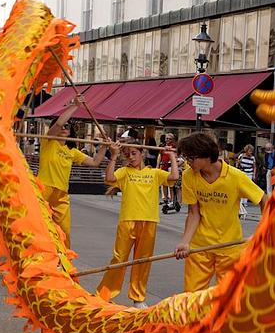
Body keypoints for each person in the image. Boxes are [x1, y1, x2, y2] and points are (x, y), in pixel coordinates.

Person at [174, 132, 264, 292]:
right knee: (192, 298)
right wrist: (185, 242)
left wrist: (264, 230)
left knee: (229, 297)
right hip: (200, 247)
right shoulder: (189, 175)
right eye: (186, 158)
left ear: (206, 155)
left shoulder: (236, 177)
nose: (187, 162)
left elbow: (264, 200)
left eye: (191, 158)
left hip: (230, 247)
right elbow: (194, 213)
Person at [96, 142, 179, 308]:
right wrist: (113, 156)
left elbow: (174, 177)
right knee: (119, 258)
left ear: (142, 153)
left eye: (134, 153)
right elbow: (109, 178)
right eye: (128, 155)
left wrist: (171, 156)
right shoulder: (125, 172)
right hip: (128, 220)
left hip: (149, 221)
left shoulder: (154, 173)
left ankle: (138, 297)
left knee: (143, 260)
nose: (131, 157)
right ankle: (104, 294)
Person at [38, 101, 109, 246]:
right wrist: (75, 105)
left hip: (61, 195)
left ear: (71, 131)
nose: (64, 128)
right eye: (63, 125)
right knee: (40, 228)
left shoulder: (72, 152)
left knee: (64, 232)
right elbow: (58, 124)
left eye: (67, 126)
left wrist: (104, 146)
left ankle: (64, 263)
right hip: (43, 191)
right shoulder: (48, 142)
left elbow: (95, 162)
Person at [158, 134, 179, 211]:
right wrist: (158, 166)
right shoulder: (162, 146)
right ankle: (165, 199)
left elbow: (177, 157)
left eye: (169, 139)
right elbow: (159, 157)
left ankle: (171, 200)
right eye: (166, 138)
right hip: (163, 165)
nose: (167, 140)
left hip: (170, 167)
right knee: (164, 184)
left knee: (171, 184)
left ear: (172, 140)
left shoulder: (174, 148)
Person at [236, 144, 257, 219]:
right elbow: (237, 163)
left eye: (251, 151)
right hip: (242, 172)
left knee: (247, 187)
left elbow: (254, 167)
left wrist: (254, 175)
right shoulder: (241, 156)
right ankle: (241, 202)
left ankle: (245, 202)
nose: (250, 152)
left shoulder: (252, 158)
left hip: (249, 173)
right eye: (249, 151)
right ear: (246, 150)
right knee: (241, 187)